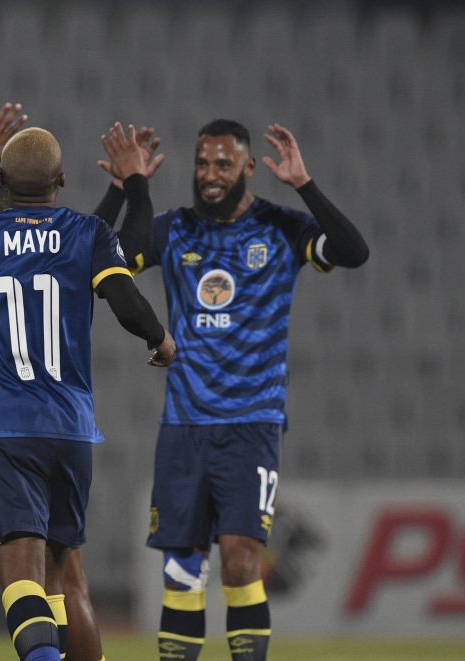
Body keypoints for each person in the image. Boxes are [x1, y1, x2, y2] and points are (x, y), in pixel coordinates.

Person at [0, 107, 161, 661]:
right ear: (57, 185)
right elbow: (128, 243)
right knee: (66, 584)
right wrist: (126, 186)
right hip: (54, 430)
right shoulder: (74, 242)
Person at [117, 120, 369, 661]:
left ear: (248, 168)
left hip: (251, 423)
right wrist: (134, 184)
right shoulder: (174, 227)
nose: (209, 175)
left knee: (241, 558)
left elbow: (353, 251)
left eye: (222, 165)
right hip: (184, 426)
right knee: (181, 568)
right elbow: (122, 256)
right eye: (202, 164)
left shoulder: (282, 227)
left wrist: (304, 183)